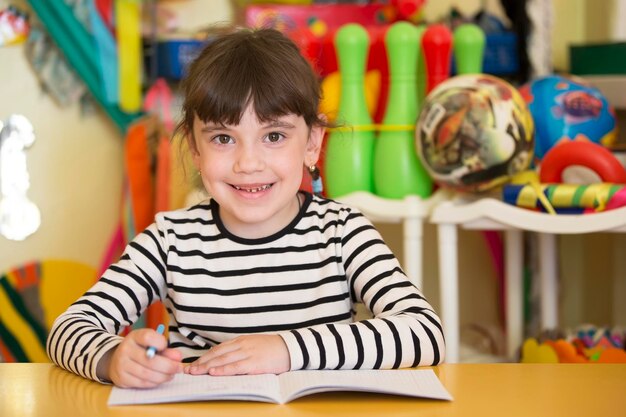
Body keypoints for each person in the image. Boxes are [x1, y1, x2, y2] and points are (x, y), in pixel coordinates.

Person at [47, 26, 445, 388]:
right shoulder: (169, 240)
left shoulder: (343, 232)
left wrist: (286, 349)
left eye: (273, 135)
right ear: (195, 150)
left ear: (312, 144)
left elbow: (424, 332)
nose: (248, 163)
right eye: (223, 138)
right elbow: (68, 329)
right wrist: (114, 358)